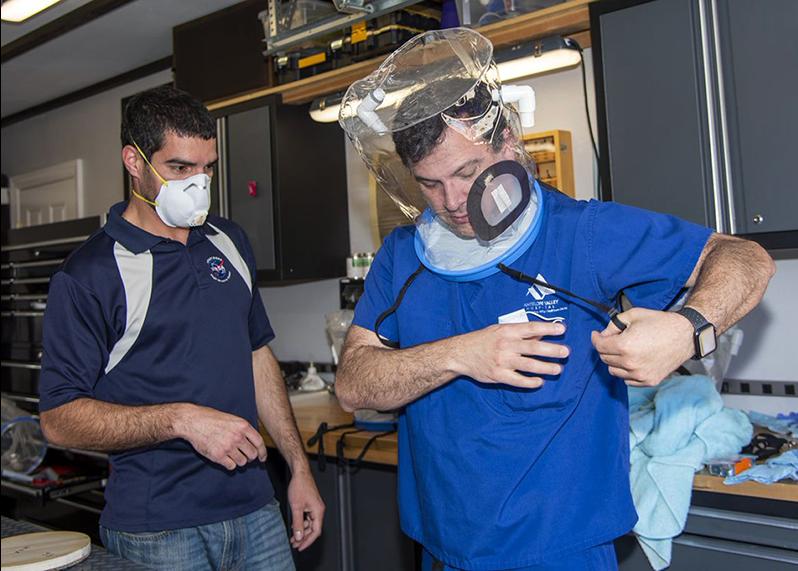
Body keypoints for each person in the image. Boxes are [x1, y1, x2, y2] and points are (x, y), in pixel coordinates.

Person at [334, 29, 774, 570]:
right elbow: (354, 384)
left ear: (508, 142)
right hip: (443, 547)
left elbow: (743, 257)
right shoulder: (405, 254)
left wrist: (688, 327)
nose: (451, 202)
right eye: (429, 184)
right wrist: (459, 354)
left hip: (560, 548)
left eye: (466, 173)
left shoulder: (582, 233)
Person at [38, 85, 324, 570]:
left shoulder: (229, 240)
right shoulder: (91, 274)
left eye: (207, 167)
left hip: (256, 508)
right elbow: (58, 418)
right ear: (134, 161)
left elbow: (257, 355)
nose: (199, 183)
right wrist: (181, 419)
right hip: (158, 528)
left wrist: (299, 468)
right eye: (179, 168)